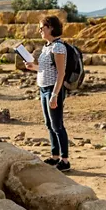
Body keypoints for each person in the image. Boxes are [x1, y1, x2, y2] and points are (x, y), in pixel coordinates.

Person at [23, 15, 71, 172]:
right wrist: (33, 67)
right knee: (49, 124)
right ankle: (54, 156)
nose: (39, 30)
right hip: (43, 88)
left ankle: (65, 160)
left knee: (57, 125)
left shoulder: (58, 47)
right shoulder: (46, 47)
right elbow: (45, 69)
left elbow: (61, 73)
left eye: (42, 27)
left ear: (50, 27)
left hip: (52, 89)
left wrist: (55, 95)